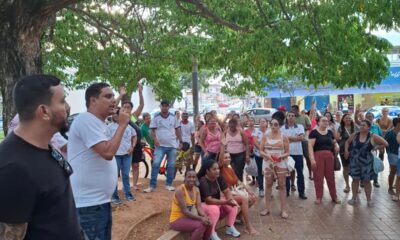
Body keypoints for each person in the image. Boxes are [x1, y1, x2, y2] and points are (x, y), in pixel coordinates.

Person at [0, 75, 82, 239]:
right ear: (44, 111)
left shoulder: (46, 147)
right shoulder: (13, 168)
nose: (68, 107)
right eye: (62, 101)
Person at [68, 82, 130, 240]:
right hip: (88, 205)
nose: (114, 100)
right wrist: (122, 125)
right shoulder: (85, 120)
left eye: (114, 96)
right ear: (93, 101)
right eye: (108, 96)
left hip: (98, 203)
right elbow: (108, 152)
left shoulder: (98, 123)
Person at [345, 120, 388, 207]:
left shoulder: (373, 136)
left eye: (364, 125)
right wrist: (346, 150)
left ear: (369, 127)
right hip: (355, 161)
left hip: (366, 163)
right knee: (355, 180)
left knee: (367, 181)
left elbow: (386, 143)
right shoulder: (355, 134)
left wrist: (376, 147)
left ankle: (369, 200)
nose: (361, 126)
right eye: (361, 125)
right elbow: (347, 142)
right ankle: (354, 198)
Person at [218, 144, 259, 235]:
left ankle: (239, 217)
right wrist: (222, 145)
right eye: (225, 158)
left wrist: (249, 191)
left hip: (232, 191)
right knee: (244, 199)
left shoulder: (229, 168)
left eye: (229, 157)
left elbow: (239, 181)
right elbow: (220, 160)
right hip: (224, 194)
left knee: (253, 197)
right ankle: (248, 227)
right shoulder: (219, 169)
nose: (228, 159)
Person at [144, 99, 182, 193]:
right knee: (156, 164)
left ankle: (169, 184)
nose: (164, 107)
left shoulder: (173, 117)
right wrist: (155, 139)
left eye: (166, 106)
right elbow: (152, 130)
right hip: (160, 146)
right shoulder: (156, 117)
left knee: (171, 165)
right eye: (163, 105)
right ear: (160, 106)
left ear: (168, 107)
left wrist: (180, 141)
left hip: (172, 145)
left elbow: (177, 130)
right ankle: (152, 186)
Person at [198, 160, 241, 240]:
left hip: (216, 201)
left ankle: (230, 227)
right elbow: (208, 200)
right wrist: (226, 202)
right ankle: (211, 233)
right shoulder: (203, 181)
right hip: (203, 204)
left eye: (218, 168)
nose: (217, 171)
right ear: (207, 171)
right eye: (214, 169)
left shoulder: (219, 177)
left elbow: (227, 191)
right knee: (214, 209)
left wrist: (230, 199)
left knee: (232, 204)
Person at [260, 118, 290, 218]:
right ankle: (267, 208)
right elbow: (261, 150)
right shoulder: (265, 136)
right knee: (268, 184)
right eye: (271, 124)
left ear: (279, 125)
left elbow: (287, 152)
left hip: (280, 162)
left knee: (282, 185)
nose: (273, 126)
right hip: (268, 162)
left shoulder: (284, 137)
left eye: (276, 124)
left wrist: (280, 157)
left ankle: (283, 210)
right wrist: (267, 156)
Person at [169, 169, 212, 240]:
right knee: (201, 225)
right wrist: (201, 218)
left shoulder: (196, 189)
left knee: (209, 223)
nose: (192, 179)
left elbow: (199, 207)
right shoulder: (180, 190)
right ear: (185, 177)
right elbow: (184, 211)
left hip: (188, 218)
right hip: (176, 220)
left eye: (194, 177)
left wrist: (205, 217)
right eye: (189, 177)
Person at [106, 108, 137, 204]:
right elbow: (106, 141)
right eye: (114, 114)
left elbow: (134, 135)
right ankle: (114, 196)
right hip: (116, 156)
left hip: (127, 155)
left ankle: (128, 194)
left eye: (117, 114)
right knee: (114, 176)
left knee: (126, 175)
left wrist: (132, 146)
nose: (114, 115)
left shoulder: (127, 126)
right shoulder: (109, 127)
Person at [308, 116, 341, 205]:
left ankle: (334, 196)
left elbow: (334, 142)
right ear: (318, 122)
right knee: (318, 177)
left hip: (329, 156)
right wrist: (312, 159)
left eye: (327, 121)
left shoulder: (330, 132)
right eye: (323, 121)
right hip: (318, 156)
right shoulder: (314, 132)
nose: (326, 122)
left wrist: (336, 145)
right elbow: (310, 146)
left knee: (331, 177)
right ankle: (319, 197)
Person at [281, 111, 307, 199]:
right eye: (289, 116)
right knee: (287, 174)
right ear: (286, 117)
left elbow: (302, 138)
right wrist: (296, 138)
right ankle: (286, 191)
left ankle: (301, 192)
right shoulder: (282, 128)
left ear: (295, 118)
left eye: (293, 116)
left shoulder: (300, 126)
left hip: (298, 154)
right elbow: (282, 139)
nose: (291, 117)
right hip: (287, 154)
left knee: (300, 174)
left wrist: (288, 138)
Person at [336, 113, 359, 193]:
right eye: (346, 118)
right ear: (343, 120)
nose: (348, 119)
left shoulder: (355, 127)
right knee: (346, 167)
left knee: (355, 167)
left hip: (355, 149)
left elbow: (360, 136)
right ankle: (347, 185)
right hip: (343, 149)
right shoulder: (341, 127)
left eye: (349, 118)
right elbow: (337, 138)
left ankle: (356, 185)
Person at [292, 104, 313, 180]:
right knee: (296, 158)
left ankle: (311, 173)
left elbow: (310, 127)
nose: (293, 112)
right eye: (292, 110)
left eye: (294, 110)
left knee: (307, 157)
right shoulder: (292, 118)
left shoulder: (305, 117)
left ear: (297, 110)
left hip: (304, 140)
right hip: (295, 141)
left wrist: (301, 128)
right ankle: (299, 173)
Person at [365, 112, 383, 188]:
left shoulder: (376, 126)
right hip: (365, 148)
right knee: (364, 164)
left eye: (371, 116)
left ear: (373, 117)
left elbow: (381, 136)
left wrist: (380, 146)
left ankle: (375, 181)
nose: (369, 117)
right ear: (365, 118)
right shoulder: (363, 126)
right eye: (368, 116)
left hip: (375, 148)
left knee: (375, 164)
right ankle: (363, 181)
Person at [253, 117, 269, 197]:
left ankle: (269, 190)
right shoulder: (256, 131)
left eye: (264, 121)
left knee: (268, 171)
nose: (262, 123)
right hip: (258, 154)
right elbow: (255, 141)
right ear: (259, 123)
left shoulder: (269, 131)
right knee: (260, 172)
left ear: (266, 123)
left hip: (268, 155)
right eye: (261, 122)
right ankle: (261, 189)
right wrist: (261, 150)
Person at [384, 118, 400, 195]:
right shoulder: (390, 133)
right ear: (397, 124)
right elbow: (384, 142)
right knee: (393, 171)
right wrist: (387, 151)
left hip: (398, 154)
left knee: (398, 172)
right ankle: (390, 187)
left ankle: (396, 186)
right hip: (392, 154)